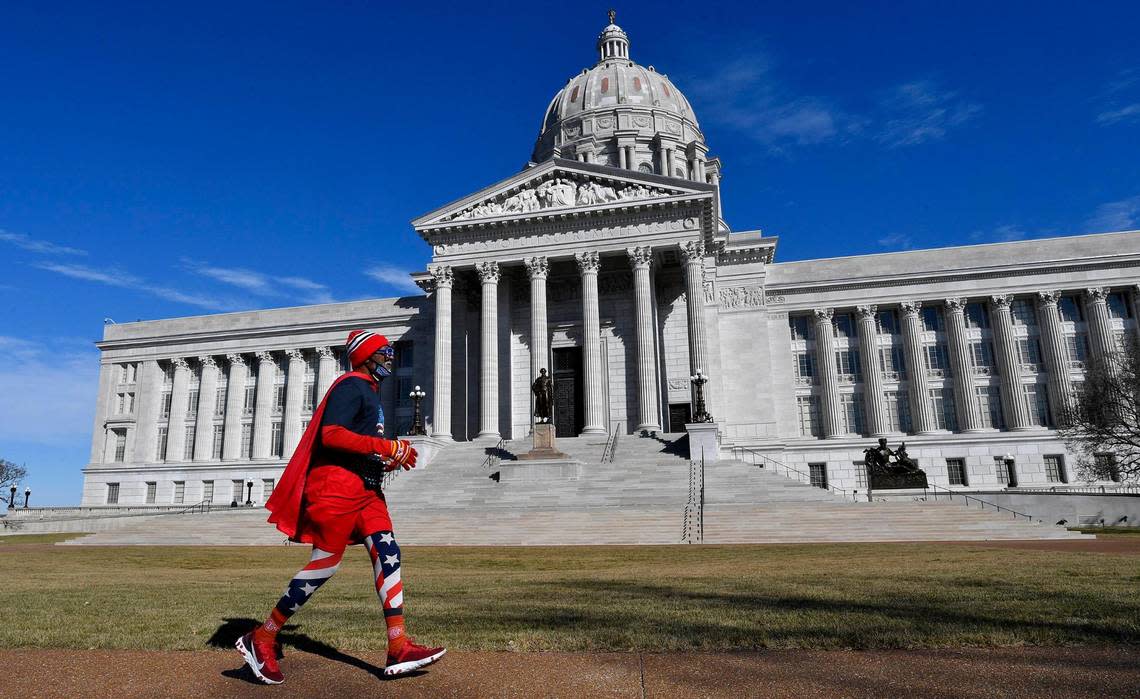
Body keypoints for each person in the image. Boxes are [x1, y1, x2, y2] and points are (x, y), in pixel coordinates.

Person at [235, 330, 445, 684]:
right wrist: (386, 448)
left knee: (388, 552)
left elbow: (359, 443)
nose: (391, 358)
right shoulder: (351, 385)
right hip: (336, 486)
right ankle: (262, 636)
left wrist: (385, 458)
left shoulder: (370, 391)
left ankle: (398, 645)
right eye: (385, 352)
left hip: (366, 489)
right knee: (325, 565)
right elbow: (330, 435)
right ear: (366, 356)